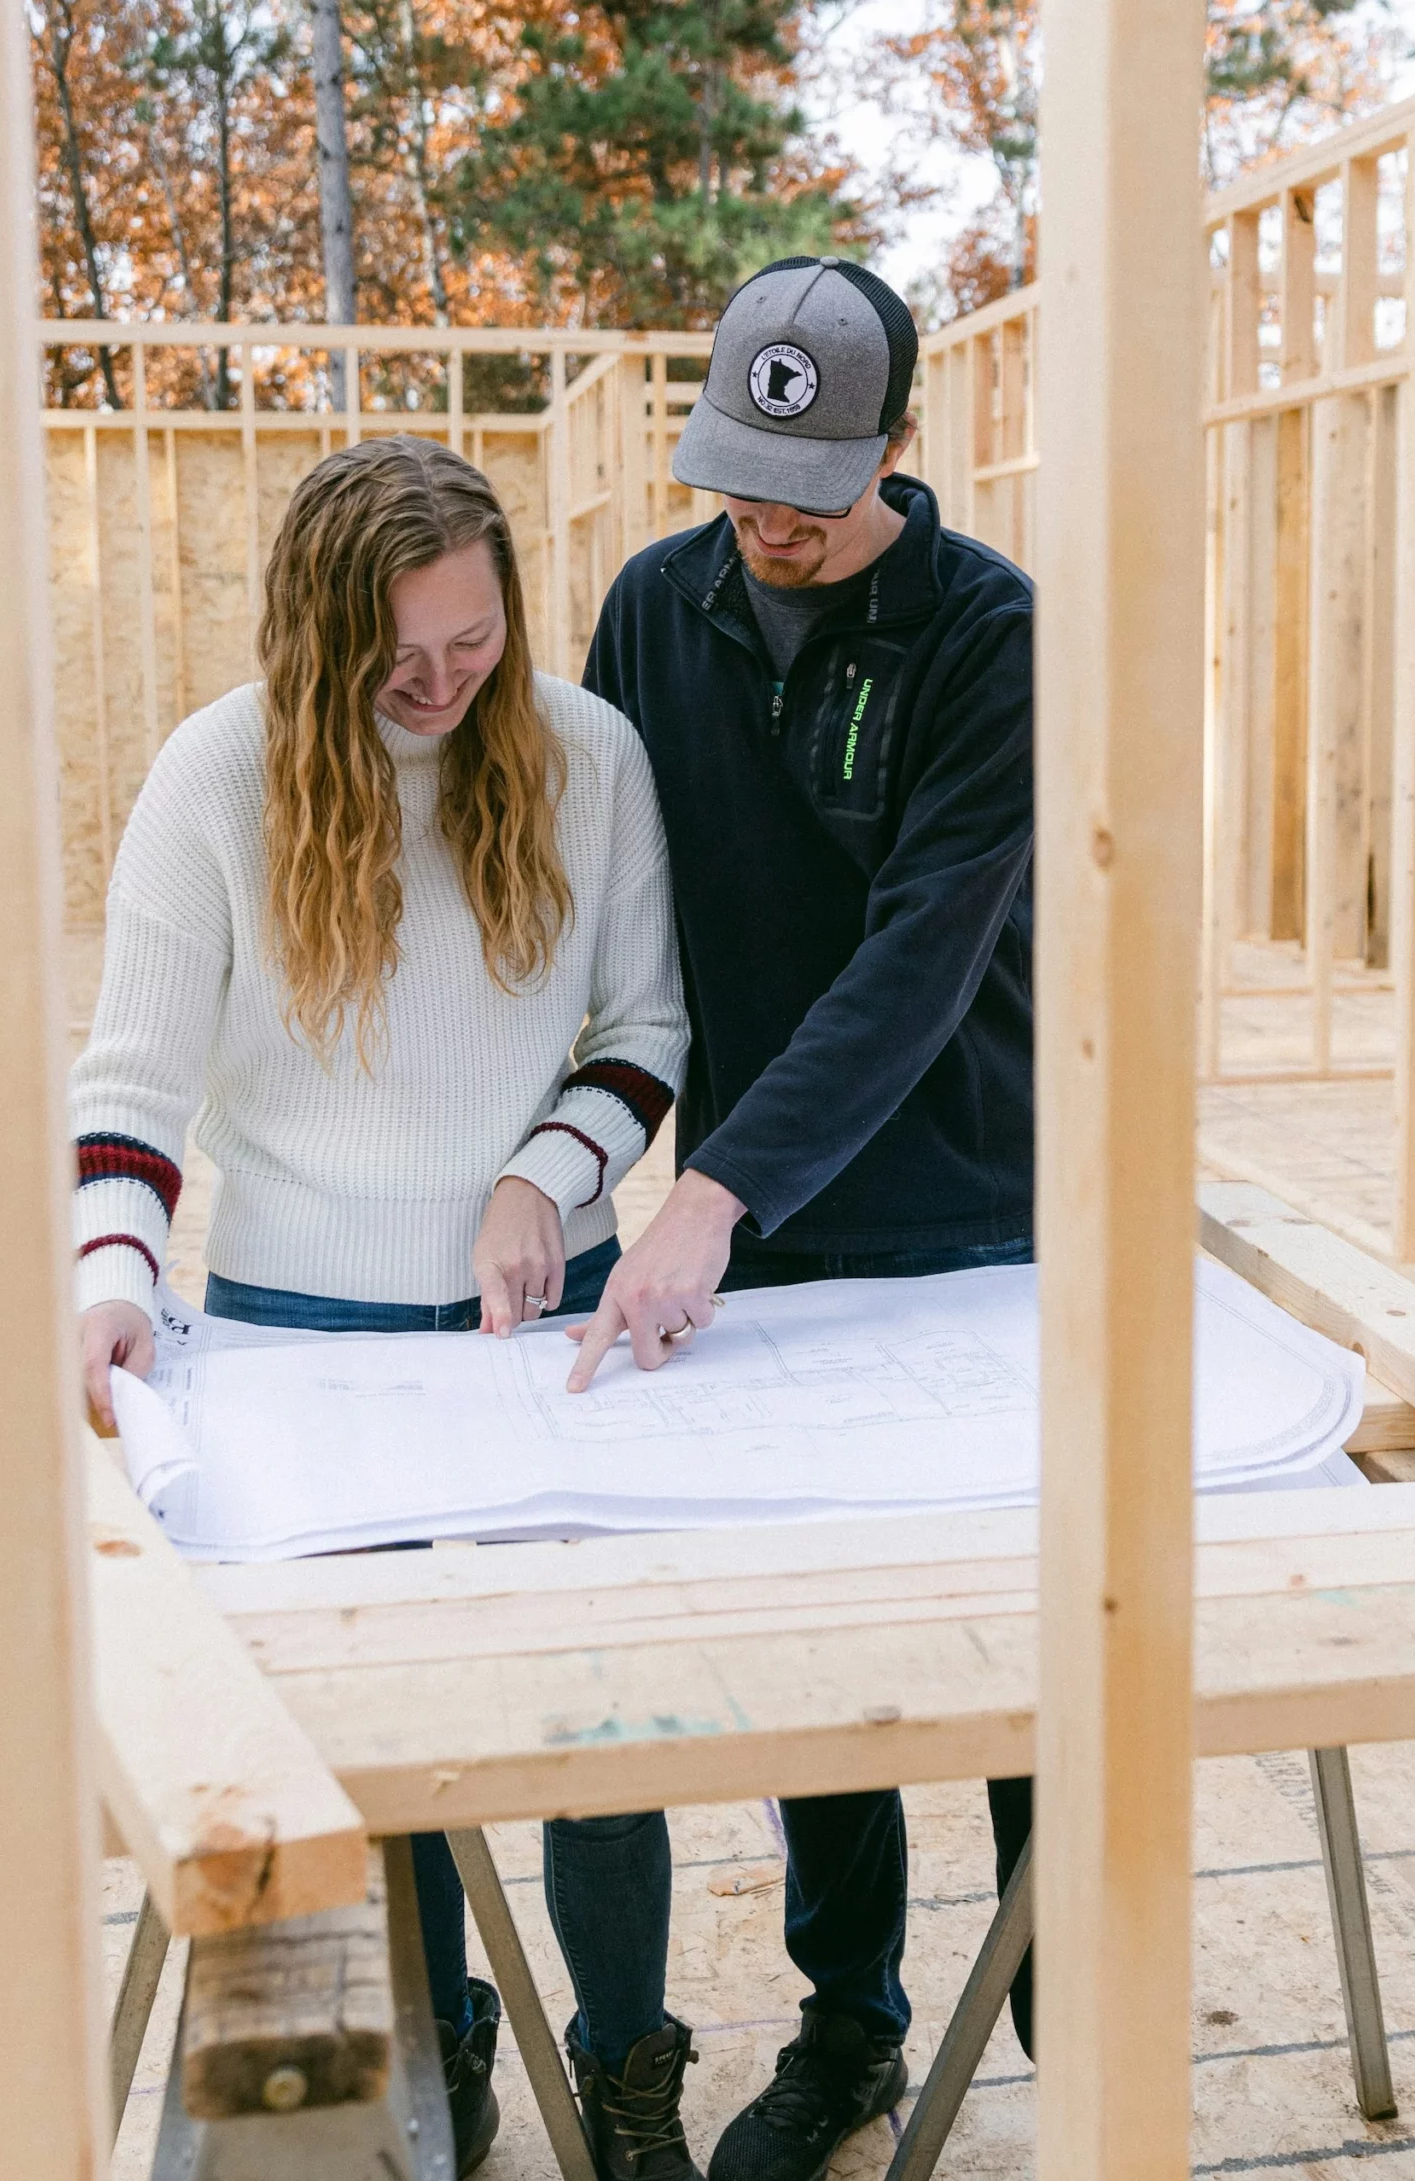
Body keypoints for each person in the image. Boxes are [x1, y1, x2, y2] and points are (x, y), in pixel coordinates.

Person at [64, 436, 699, 2180]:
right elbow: (129, 1080)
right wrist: (115, 1278)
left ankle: (628, 2058)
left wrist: (540, 1182)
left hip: (533, 1322)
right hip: (289, 1329)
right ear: (317, 636)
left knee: (598, 1713)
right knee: (380, 1738)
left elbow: (644, 1035)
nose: (437, 689)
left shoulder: (588, 756)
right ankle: (449, 2044)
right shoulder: (219, 776)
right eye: (395, 661)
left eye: (473, 644)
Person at [576, 257, 1037, 2181]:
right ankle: (851, 2031)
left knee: (1032, 1646)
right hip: (751, 1203)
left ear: (897, 451)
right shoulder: (655, 607)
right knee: (815, 1638)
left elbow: (924, 953)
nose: (763, 521)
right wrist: (574, 1160)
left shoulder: (985, 628)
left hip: (967, 1193)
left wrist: (720, 1190)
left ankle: (1072, 2025)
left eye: (807, 485)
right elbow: (600, 908)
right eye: (737, 475)